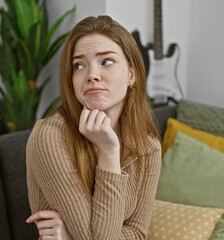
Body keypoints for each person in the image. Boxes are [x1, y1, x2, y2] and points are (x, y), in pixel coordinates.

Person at [25, 15, 161, 240]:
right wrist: (109, 152)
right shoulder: (49, 136)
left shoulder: (149, 146)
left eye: (106, 61)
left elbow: (138, 233)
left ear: (131, 75)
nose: (91, 75)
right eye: (79, 65)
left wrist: (71, 237)